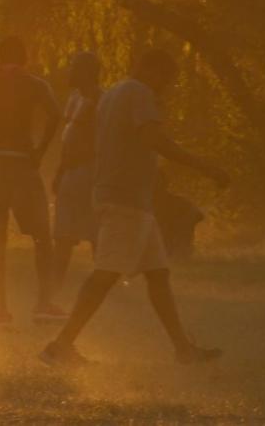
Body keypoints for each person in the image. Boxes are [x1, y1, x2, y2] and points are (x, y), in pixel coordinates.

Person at [41, 48, 229, 366]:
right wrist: (204, 166)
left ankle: (183, 348)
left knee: (158, 274)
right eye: (167, 81)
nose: (166, 89)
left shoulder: (115, 91)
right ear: (154, 72)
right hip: (125, 199)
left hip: (130, 199)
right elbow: (152, 138)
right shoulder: (141, 93)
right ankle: (60, 346)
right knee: (105, 273)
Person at [0, 36, 66, 326]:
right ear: (25, 58)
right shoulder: (35, 85)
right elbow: (55, 114)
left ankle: (0, 309)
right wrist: (39, 150)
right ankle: (44, 303)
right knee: (41, 237)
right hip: (23, 164)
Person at [52, 52, 102, 293]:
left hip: (91, 171)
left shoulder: (100, 99)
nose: (68, 72)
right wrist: (61, 170)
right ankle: (55, 286)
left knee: (96, 232)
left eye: (74, 68)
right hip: (71, 171)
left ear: (87, 72)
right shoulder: (75, 97)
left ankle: (103, 284)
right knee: (63, 233)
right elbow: (68, 137)